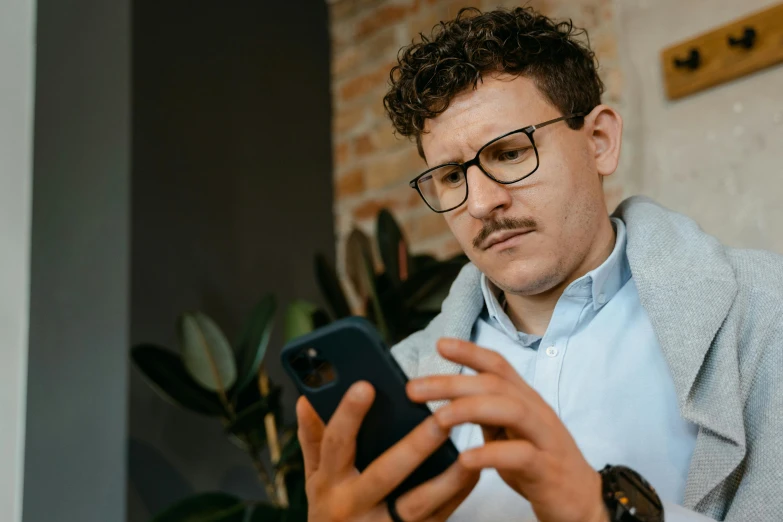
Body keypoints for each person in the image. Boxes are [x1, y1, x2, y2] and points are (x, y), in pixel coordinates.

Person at [296, 6, 783, 522]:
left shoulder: (762, 315)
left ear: (600, 142)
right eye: (451, 177)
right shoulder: (408, 377)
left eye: (509, 153)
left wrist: (601, 513)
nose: (480, 203)